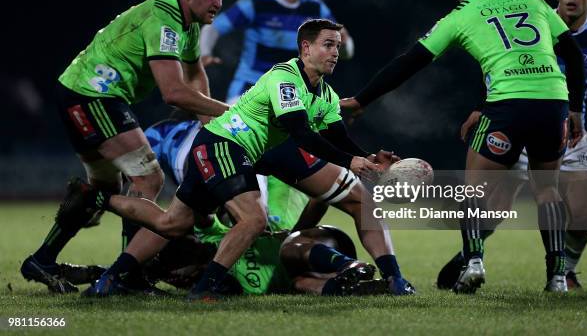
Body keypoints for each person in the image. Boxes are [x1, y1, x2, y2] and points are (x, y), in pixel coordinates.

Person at [73, 19, 415, 299]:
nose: (335, 52)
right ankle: (206, 289)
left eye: (338, 46)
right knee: (253, 219)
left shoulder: (325, 94)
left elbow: (337, 136)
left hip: (253, 151)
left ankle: (97, 202)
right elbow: (301, 134)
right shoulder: (286, 78)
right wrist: (349, 162)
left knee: (172, 223)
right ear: (305, 48)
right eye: (328, 44)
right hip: (224, 144)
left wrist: (367, 158)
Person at [341, 0, 586, 293]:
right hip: (553, 102)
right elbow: (573, 55)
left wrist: (360, 99)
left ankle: (473, 263)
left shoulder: (460, 14)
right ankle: (558, 277)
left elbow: (411, 61)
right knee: (547, 188)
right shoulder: (533, 1)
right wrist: (574, 110)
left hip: (507, 106)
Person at [20, 0, 231, 294]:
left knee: (106, 188)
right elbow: (174, 93)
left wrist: (211, 121)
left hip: (82, 93)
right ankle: (128, 273)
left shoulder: (188, 24)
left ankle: (44, 260)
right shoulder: (165, 18)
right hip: (93, 95)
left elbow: (194, 74)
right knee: (148, 178)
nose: (219, 2)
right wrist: (230, 114)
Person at [436, 0, 587, 291]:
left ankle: (566, 267)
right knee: (496, 207)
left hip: (567, 135)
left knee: (584, 218)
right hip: (515, 123)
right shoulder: (537, 18)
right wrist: (481, 106)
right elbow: (504, 66)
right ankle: (470, 256)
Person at [200, 0, 355, 239]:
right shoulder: (256, 4)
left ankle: (277, 233)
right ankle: (241, 218)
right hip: (248, 98)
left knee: (295, 166)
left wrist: (344, 45)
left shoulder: (315, 9)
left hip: (293, 104)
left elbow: (344, 46)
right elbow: (214, 27)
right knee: (253, 167)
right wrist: (205, 54)